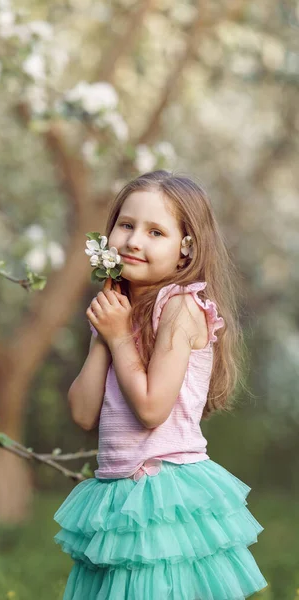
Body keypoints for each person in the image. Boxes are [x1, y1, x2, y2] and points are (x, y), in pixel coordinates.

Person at [53, 170, 268, 599]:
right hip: (118, 492)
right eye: (126, 225)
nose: (134, 241)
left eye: (156, 231)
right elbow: (81, 413)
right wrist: (105, 335)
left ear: (186, 249)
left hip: (165, 493)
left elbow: (152, 410)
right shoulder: (119, 310)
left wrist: (117, 337)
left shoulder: (181, 308)